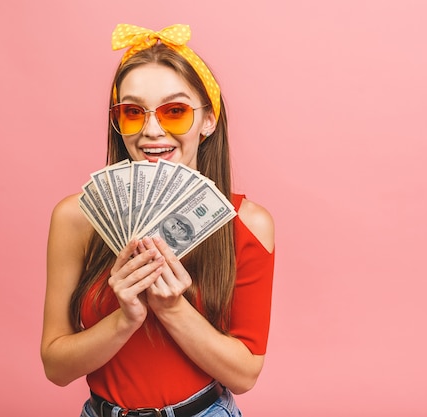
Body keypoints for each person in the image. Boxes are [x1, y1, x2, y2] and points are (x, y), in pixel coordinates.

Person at [41, 24, 275, 417]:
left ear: (208, 120)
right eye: (133, 112)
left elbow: (244, 375)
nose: (151, 130)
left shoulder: (248, 223)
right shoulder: (75, 218)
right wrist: (125, 318)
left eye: (175, 111)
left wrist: (171, 308)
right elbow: (55, 366)